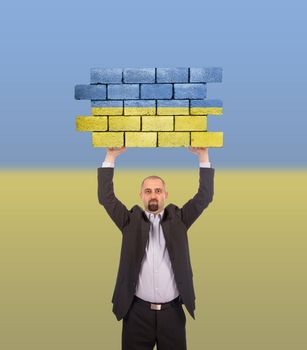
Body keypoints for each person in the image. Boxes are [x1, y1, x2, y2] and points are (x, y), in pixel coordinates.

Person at [97, 146, 215, 350]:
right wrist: (111, 156)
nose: (153, 195)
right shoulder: (129, 221)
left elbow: (204, 197)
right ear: (141, 195)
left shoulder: (180, 219)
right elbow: (106, 198)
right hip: (136, 314)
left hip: (173, 315)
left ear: (165, 195)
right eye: (148, 191)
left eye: (158, 191)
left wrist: (203, 156)